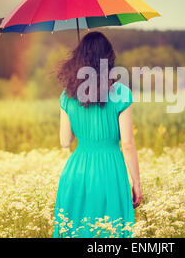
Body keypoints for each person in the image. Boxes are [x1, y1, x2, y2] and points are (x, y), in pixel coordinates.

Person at [53, 31, 142, 238]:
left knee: (76, 232)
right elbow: (127, 144)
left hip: (77, 170)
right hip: (110, 170)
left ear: (79, 59)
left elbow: (65, 140)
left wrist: (81, 115)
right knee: (111, 233)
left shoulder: (68, 95)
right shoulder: (121, 93)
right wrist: (136, 182)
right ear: (109, 59)